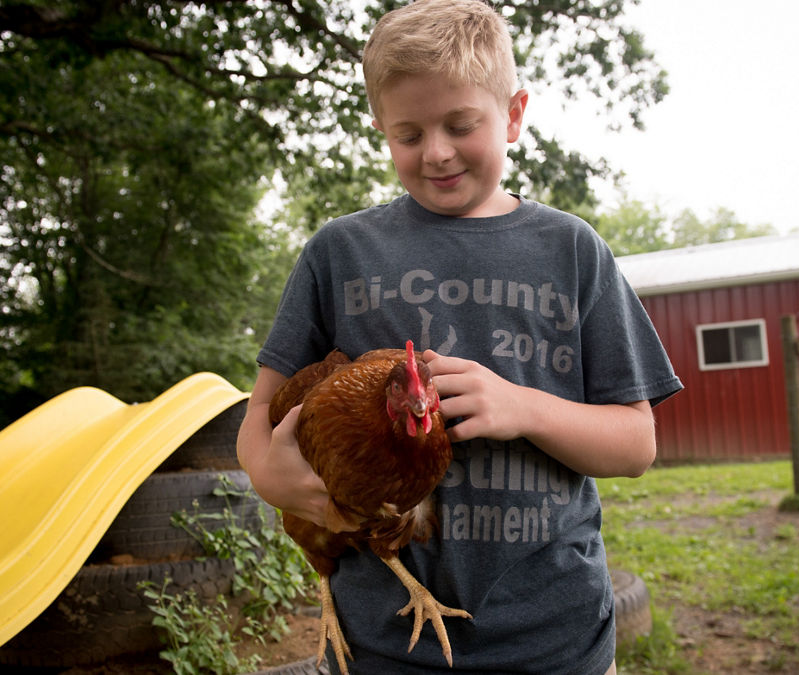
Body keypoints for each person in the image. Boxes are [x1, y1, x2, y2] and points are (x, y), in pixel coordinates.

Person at [236, 1, 682, 672]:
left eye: (460, 124)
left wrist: (522, 407)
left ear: (513, 114)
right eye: (409, 134)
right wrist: (273, 476)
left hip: (554, 640)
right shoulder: (340, 252)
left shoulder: (571, 250)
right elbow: (257, 422)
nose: (436, 151)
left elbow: (636, 444)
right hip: (382, 647)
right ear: (381, 129)